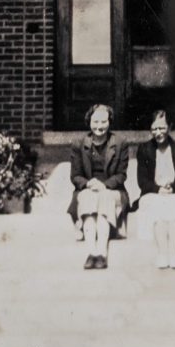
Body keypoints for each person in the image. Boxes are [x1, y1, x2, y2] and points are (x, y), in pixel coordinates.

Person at [134, 109, 175, 269]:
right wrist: (158, 189)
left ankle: (174, 253)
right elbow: (142, 181)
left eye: (162, 128)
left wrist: (172, 189)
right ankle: (163, 253)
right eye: (154, 129)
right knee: (158, 211)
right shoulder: (144, 150)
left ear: (169, 127)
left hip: (174, 192)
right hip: (152, 193)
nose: (158, 133)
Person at [67, 104, 129, 270]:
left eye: (103, 121)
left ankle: (102, 253)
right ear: (89, 121)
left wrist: (104, 185)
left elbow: (121, 175)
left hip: (112, 190)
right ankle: (91, 253)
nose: (99, 126)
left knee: (105, 198)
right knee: (88, 198)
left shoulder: (120, 143)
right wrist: (87, 184)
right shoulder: (79, 144)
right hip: (87, 189)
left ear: (110, 122)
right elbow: (75, 176)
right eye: (95, 121)